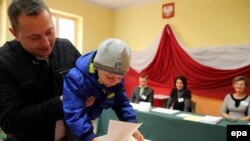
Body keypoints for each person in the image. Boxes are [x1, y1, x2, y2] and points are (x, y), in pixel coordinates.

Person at [0, 0, 81, 141]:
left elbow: (88, 79)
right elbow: (10, 122)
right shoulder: (4, 62)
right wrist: (63, 102)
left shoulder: (66, 47)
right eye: (34, 37)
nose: (46, 43)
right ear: (15, 33)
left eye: (49, 32)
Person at [63, 38, 144, 141]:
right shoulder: (76, 78)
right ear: (97, 67)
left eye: (120, 78)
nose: (114, 82)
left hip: (90, 119)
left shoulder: (115, 78)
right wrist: (89, 137)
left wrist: (131, 126)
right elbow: (74, 113)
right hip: (73, 125)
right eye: (109, 77)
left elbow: (122, 103)